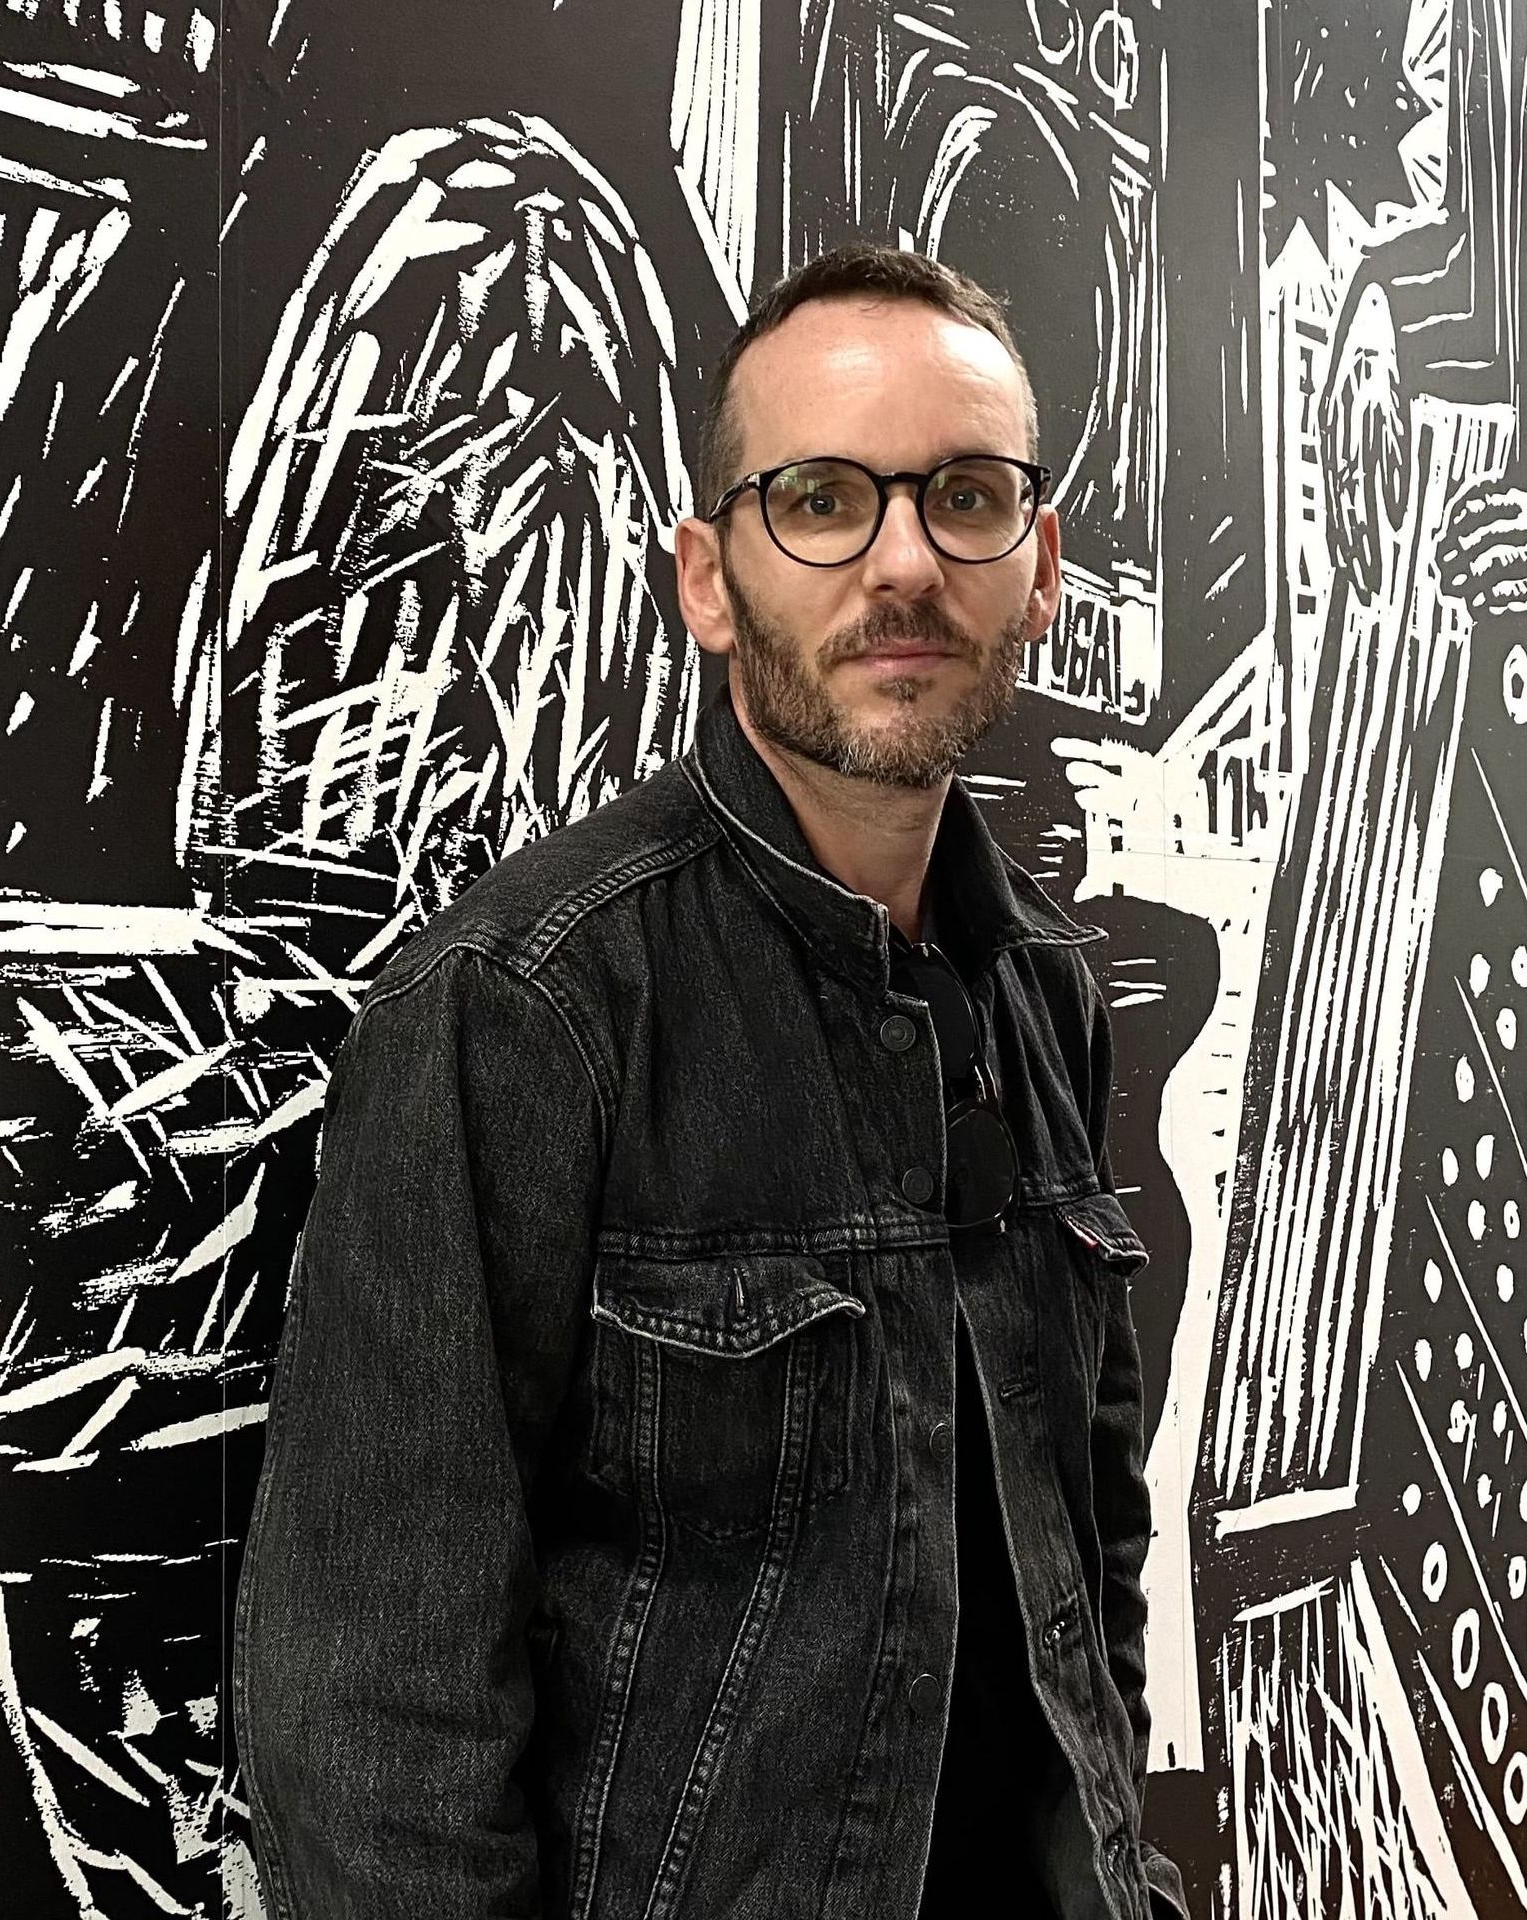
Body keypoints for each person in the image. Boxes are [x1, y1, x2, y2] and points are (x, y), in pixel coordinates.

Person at [234, 244, 1190, 1920]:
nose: (905, 563)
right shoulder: (523, 1010)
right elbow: (374, 1724)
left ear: (1039, 570)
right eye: (822, 500)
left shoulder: (1044, 987)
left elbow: (1086, 1544)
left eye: (966, 497)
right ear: (709, 579)